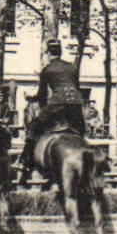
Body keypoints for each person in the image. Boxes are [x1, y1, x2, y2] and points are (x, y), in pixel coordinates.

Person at [19, 38, 85, 179]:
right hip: (76, 104)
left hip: (57, 103)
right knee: (80, 131)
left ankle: (26, 162)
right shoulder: (73, 67)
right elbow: (77, 87)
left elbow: (42, 95)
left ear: (49, 53)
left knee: (33, 126)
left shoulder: (47, 69)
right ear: (60, 52)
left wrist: (40, 105)